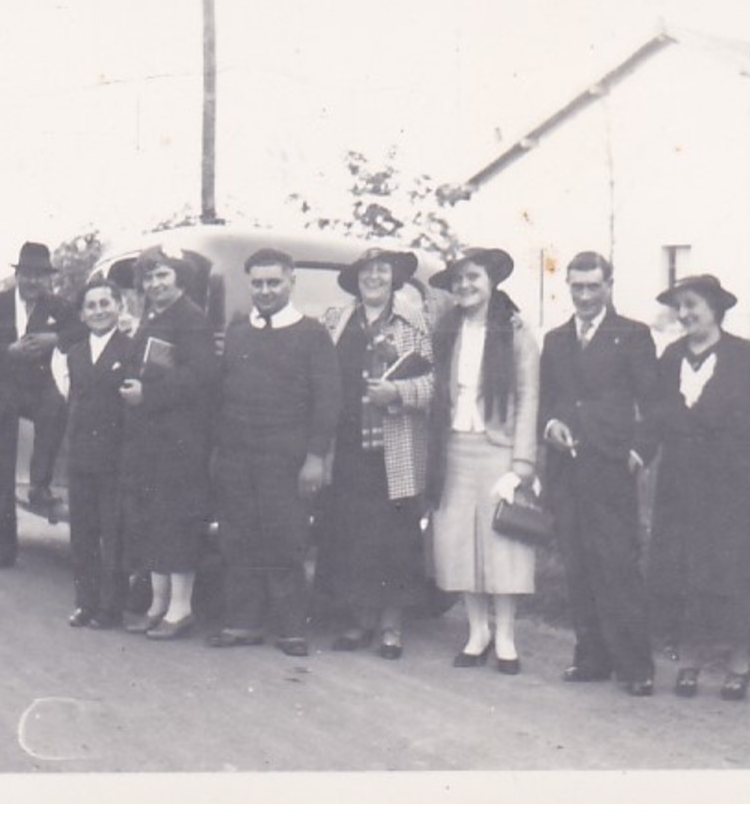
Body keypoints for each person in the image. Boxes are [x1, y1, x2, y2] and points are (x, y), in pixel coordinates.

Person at [646, 274, 750, 700]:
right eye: (680, 306)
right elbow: (655, 413)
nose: (685, 314)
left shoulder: (744, 357)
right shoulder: (671, 358)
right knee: (684, 568)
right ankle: (689, 662)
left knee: (733, 570)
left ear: (715, 308)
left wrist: (736, 443)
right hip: (680, 484)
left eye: (692, 305)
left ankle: (738, 665)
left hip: (731, 488)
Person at [206, 248, 340, 657]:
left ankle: (290, 627)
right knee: (239, 537)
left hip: (287, 457)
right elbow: (221, 394)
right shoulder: (239, 332)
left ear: (290, 282)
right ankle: (243, 622)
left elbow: (328, 401)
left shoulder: (312, 334)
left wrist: (316, 457)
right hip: (237, 455)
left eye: (273, 282)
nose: (265, 291)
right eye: (258, 283)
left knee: (285, 539)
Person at [539, 251, 659, 697]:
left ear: (609, 284)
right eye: (577, 287)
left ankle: (635, 666)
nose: (585, 296)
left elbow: (654, 404)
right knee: (578, 562)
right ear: (567, 286)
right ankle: (592, 657)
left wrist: (638, 453)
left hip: (611, 467)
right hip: (567, 469)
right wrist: (550, 427)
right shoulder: (554, 341)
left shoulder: (632, 335)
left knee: (618, 564)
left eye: (593, 286)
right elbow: (545, 400)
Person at [317, 248, 434, 660]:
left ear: (394, 278)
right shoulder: (337, 319)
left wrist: (397, 392)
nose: (374, 278)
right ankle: (358, 619)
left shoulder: (415, 322)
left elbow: (436, 384)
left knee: (395, 536)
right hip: (347, 443)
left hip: (395, 445)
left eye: (382, 270)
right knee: (351, 532)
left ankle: (391, 626)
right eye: (367, 271)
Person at [428, 247, 540, 675]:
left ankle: (506, 635)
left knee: (503, 544)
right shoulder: (445, 332)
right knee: (457, 541)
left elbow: (529, 398)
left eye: (473, 277)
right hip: (454, 447)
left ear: (491, 283)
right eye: (458, 280)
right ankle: (477, 631)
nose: (465, 286)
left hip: (498, 448)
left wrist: (522, 464)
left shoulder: (515, 333)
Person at [118, 245, 219, 641]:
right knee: (154, 521)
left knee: (176, 522)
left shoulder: (191, 319)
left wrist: (148, 395)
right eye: (149, 277)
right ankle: (158, 604)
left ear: (178, 278)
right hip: (152, 440)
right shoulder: (154, 317)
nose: (155, 283)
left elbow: (202, 376)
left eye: (163, 275)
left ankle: (181, 609)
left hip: (181, 440)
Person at [0, 241, 78, 569]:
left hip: (34, 387)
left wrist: (54, 339)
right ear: (17, 275)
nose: (33, 282)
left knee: (56, 409)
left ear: (48, 279)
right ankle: (4, 549)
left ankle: (40, 486)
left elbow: (81, 330)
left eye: (40, 276)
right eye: (27, 274)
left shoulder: (57, 307)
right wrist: (7, 351)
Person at [61, 278, 133, 627]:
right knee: (83, 532)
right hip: (82, 456)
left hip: (116, 456)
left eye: (106, 303)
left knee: (114, 533)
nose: (99, 311)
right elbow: (73, 402)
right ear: (82, 314)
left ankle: (110, 606)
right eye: (91, 306)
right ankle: (85, 602)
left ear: (119, 307)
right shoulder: (74, 353)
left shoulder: (130, 349)